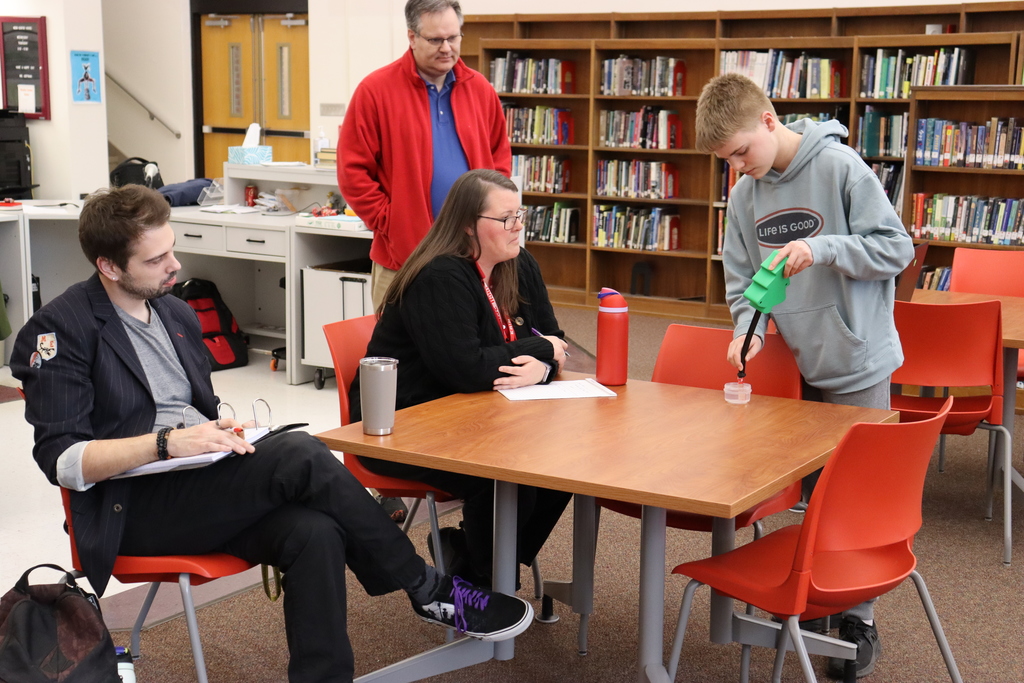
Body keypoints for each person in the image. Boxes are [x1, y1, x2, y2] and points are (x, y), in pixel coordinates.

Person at [11, 185, 533, 683]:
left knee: (314, 532)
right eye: (155, 261)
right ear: (107, 266)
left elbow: (195, 408)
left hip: (201, 485)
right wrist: (166, 442)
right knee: (301, 454)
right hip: (135, 510)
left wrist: (219, 430)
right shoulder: (62, 330)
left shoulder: (173, 311)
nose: (176, 267)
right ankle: (428, 588)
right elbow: (63, 461)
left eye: (172, 250)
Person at [695, 73, 914, 680]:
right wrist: (751, 330)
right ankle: (816, 599)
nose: (738, 169)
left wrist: (826, 249)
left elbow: (897, 248)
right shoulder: (744, 195)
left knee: (856, 497)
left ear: (769, 121)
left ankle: (859, 617)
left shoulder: (840, 167)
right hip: (794, 370)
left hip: (856, 360)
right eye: (727, 162)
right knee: (811, 493)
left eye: (741, 152)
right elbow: (743, 283)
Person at [350, 169, 572, 588]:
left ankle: (474, 563)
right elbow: (468, 369)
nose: (518, 227)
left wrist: (542, 367)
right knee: (507, 474)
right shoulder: (439, 276)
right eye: (506, 219)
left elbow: (555, 338)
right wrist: (541, 353)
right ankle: (486, 580)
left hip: (479, 414)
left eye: (520, 215)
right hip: (407, 425)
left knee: (563, 464)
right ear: (469, 225)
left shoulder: (518, 263)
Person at [338, 0, 512, 308]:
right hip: (403, 257)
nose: (446, 48)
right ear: (412, 37)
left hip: (472, 253)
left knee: (468, 348)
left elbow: (499, 163)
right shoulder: (375, 90)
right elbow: (352, 172)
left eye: (453, 37)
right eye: (435, 39)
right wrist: (390, 221)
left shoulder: (481, 89)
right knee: (398, 350)